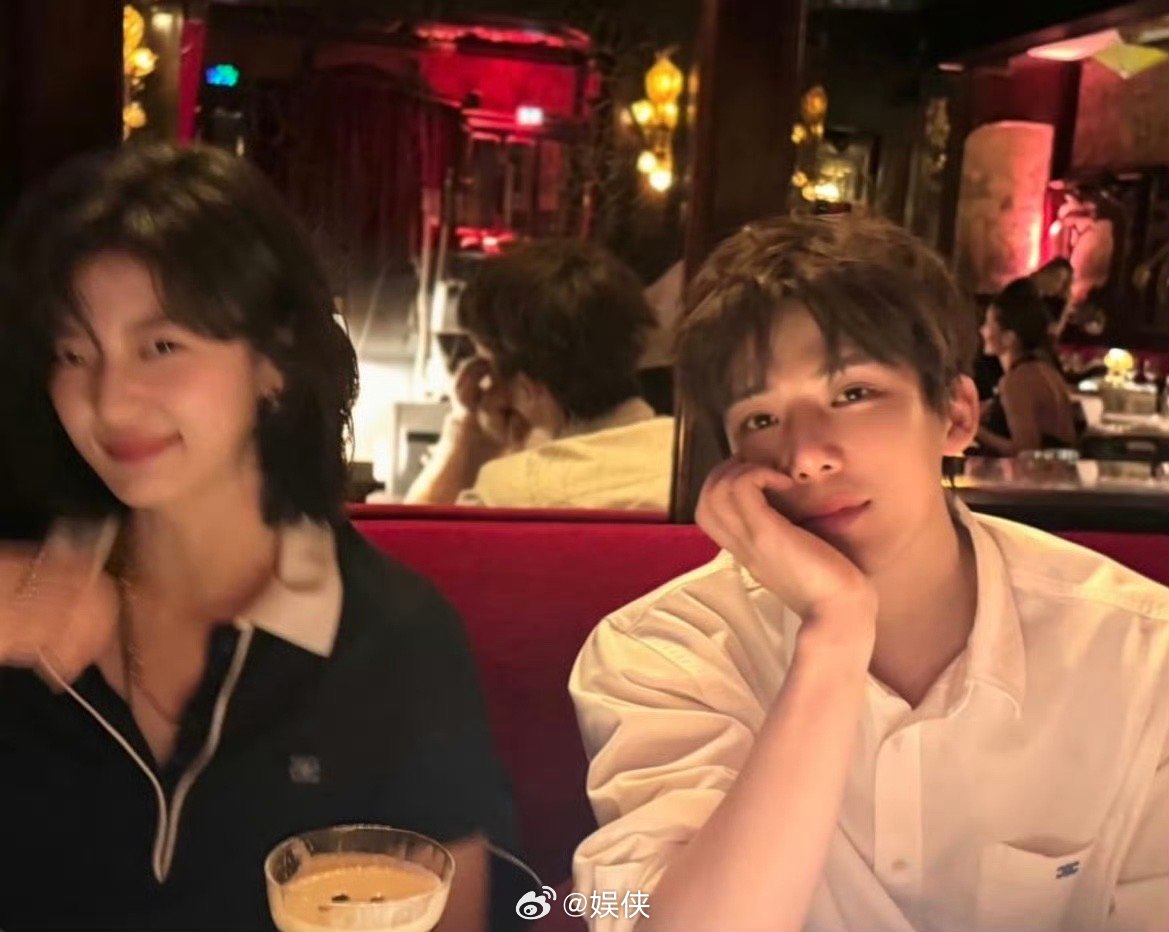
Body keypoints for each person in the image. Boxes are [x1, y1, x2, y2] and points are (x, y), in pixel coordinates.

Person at [569, 215, 1169, 932]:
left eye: (853, 394)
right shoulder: (665, 652)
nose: (805, 458)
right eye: (760, 419)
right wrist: (835, 632)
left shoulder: (1141, 656)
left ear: (955, 415)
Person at [0, 144, 515, 931]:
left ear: (273, 362)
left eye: (161, 346)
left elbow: (452, 915)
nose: (110, 400)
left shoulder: (393, 638)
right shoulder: (18, 585)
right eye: (74, 354)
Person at [405, 239, 675, 510]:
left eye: (487, 367)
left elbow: (408, 534)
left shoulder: (506, 493)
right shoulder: (688, 463)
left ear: (527, 387)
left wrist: (467, 435)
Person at [976, 277, 1079, 456]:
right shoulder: (1045, 370)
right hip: (1063, 470)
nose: (982, 331)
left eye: (988, 324)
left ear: (1009, 338)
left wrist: (975, 431)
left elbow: (1025, 452)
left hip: (1040, 473)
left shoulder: (1015, 381)